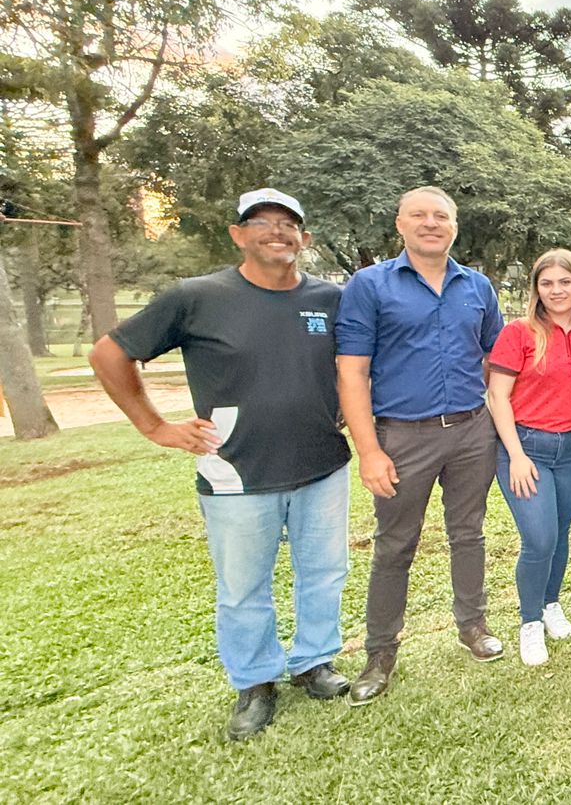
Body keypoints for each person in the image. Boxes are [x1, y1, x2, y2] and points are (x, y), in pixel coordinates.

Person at [89, 188, 350, 740]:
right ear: (238, 235)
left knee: (324, 572)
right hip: (236, 471)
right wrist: (155, 426)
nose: (276, 231)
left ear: (304, 238)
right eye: (261, 222)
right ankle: (255, 682)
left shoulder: (330, 299)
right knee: (243, 587)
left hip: (322, 463)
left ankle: (314, 661)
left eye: (288, 224)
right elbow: (109, 354)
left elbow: (352, 365)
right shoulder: (197, 296)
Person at [336, 186, 505, 705]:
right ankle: (380, 652)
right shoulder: (370, 285)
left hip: (472, 431)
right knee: (395, 545)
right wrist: (369, 450)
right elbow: (352, 371)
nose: (430, 223)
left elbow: (495, 358)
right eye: (419, 215)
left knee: (468, 533)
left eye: (441, 216)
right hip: (402, 435)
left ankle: (473, 625)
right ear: (400, 224)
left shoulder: (477, 286)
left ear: (454, 226)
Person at [485, 249, 571, 667]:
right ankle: (530, 620)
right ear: (536, 289)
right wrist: (515, 454)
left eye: (565, 282)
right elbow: (498, 395)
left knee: (560, 532)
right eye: (546, 283)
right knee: (539, 538)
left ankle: (551, 603)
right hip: (527, 448)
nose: (556, 291)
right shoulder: (519, 333)